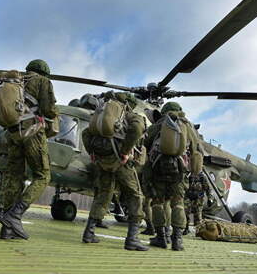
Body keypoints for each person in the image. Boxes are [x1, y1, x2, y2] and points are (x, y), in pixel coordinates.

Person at [0, 59, 58, 240]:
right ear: (44, 73)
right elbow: (49, 110)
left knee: (15, 177)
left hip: (13, 133)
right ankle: (15, 215)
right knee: (43, 176)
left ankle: (7, 229)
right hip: (32, 132)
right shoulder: (43, 82)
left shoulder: (17, 82)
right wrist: (54, 113)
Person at [81, 92, 149, 251]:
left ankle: (88, 233)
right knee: (135, 195)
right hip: (120, 161)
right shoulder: (129, 114)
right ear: (130, 104)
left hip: (102, 160)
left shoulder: (101, 112)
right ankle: (132, 239)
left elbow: (85, 133)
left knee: (104, 193)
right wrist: (125, 151)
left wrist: (92, 153)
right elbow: (138, 128)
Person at [143, 102, 202, 251]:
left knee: (157, 202)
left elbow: (145, 141)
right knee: (178, 203)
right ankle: (177, 240)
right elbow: (197, 149)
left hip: (158, 169)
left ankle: (161, 237)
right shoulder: (187, 126)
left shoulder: (159, 124)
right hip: (180, 171)